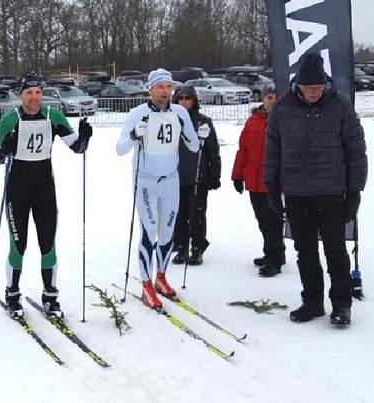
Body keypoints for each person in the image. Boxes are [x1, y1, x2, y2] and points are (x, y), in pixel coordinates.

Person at [264, 51, 367, 328]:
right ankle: (312, 302)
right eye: (309, 88)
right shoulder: (283, 107)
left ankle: (341, 305)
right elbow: (272, 149)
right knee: (305, 250)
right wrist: (271, 186)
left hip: (330, 191)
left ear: (325, 84)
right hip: (296, 192)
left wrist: (355, 191)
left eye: (318, 88)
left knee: (335, 251)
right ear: (299, 85)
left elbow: (356, 150)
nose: (313, 93)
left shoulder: (340, 106)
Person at [0, 72, 91, 318]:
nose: (34, 97)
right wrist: (5, 148)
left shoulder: (53, 116)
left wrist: (85, 135)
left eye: (38, 92)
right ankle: (12, 294)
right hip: (17, 193)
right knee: (18, 246)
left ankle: (50, 295)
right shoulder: (9, 120)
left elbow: (78, 148)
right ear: (21, 95)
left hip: (45, 191)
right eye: (29, 93)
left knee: (48, 245)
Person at [116, 68, 204, 308]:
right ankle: (145, 283)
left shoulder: (180, 113)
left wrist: (199, 135)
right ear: (150, 89)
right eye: (160, 87)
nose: (165, 91)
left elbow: (194, 146)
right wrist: (134, 135)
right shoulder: (137, 113)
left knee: (167, 232)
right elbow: (120, 148)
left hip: (170, 180)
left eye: (168, 87)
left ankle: (161, 277)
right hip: (145, 180)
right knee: (149, 230)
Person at [231, 84, 285, 276]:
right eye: (269, 97)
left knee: (273, 222)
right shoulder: (253, 120)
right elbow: (243, 150)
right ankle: (271, 252)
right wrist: (237, 175)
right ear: (263, 99)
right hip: (254, 181)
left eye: (275, 97)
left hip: (275, 182)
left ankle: (275, 258)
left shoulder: (285, 120)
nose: (272, 101)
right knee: (262, 221)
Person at [172, 85, 221, 265]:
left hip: (198, 176)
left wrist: (215, 174)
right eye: (180, 98)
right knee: (178, 214)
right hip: (175, 176)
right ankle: (181, 246)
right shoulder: (171, 120)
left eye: (187, 98)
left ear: (194, 100)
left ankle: (198, 247)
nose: (184, 101)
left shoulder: (203, 122)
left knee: (197, 214)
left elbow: (213, 150)